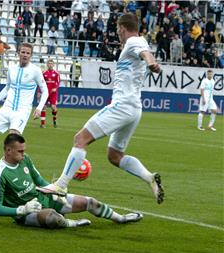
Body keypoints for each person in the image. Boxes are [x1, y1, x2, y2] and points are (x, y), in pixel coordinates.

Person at [44, 13, 165, 204]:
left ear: (122, 28)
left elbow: (146, 54)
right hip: (134, 109)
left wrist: (151, 63)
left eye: (118, 29)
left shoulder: (133, 42)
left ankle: (61, 184)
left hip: (122, 106)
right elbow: (145, 52)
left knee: (80, 139)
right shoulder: (140, 41)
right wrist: (149, 62)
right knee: (115, 156)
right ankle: (149, 177)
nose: (117, 33)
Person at [0, 133, 144, 229]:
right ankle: (72, 223)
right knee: (51, 217)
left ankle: (121, 218)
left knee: (90, 202)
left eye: (24, 151)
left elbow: (38, 179)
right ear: (8, 150)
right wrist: (22, 210)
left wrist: (54, 189)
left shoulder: (25, 160)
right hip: (27, 213)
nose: (24, 154)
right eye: (20, 151)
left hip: (44, 197)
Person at [0, 43, 48, 178]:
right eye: (23, 52)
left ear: (31, 55)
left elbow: (45, 90)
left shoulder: (35, 70)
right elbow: (7, 88)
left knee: (13, 142)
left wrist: (39, 108)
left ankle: (12, 173)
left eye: (28, 53)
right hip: (6, 108)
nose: (25, 55)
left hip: (22, 111)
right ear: (18, 53)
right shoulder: (12, 68)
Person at [38, 59, 60, 128]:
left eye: (51, 63)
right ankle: (43, 124)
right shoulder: (44, 73)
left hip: (53, 93)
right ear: (47, 64)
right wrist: (39, 91)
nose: (50, 65)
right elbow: (40, 83)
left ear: (53, 65)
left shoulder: (56, 73)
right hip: (45, 93)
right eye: (49, 63)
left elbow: (58, 82)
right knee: (43, 107)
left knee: (53, 108)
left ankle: (54, 120)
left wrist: (55, 88)